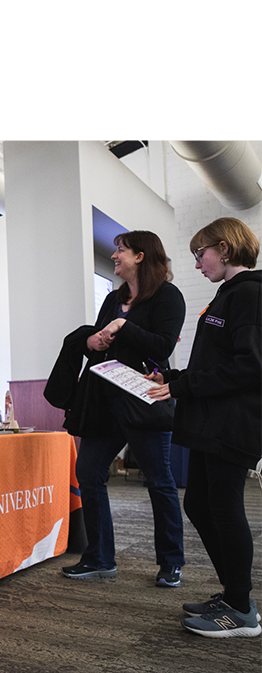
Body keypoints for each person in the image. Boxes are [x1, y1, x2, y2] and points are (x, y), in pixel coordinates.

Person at [148, 217, 262, 637]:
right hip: (211, 421)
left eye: (201, 254)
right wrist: (173, 380)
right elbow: (218, 362)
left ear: (225, 249)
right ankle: (233, 594)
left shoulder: (249, 294)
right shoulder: (228, 296)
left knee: (224, 506)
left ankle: (240, 610)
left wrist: (184, 386)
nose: (197, 263)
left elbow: (250, 366)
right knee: (198, 504)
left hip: (233, 424)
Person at [54, 231, 186, 585]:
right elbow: (101, 341)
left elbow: (160, 348)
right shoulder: (114, 299)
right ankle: (99, 558)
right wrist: (90, 340)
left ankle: (171, 562)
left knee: (160, 482)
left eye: (120, 250)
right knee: (90, 473)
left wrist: (124, 327)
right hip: (102, 400)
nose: (114, 255)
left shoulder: (168, 297)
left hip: (142, 400)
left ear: (140, 256)